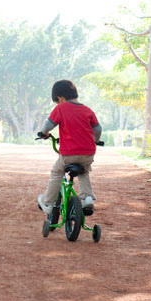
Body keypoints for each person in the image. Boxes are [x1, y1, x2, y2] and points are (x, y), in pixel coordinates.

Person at [37, 79, 102, 215]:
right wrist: (95, 140)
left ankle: (48, 202)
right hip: (88, 152)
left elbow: (48, 125)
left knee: (57, 172)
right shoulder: (87, 110)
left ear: (60, 98)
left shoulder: (61, 108)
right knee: (83, 171)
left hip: (69, 153)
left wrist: (44, 133)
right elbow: (97, 129)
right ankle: (87, 197)